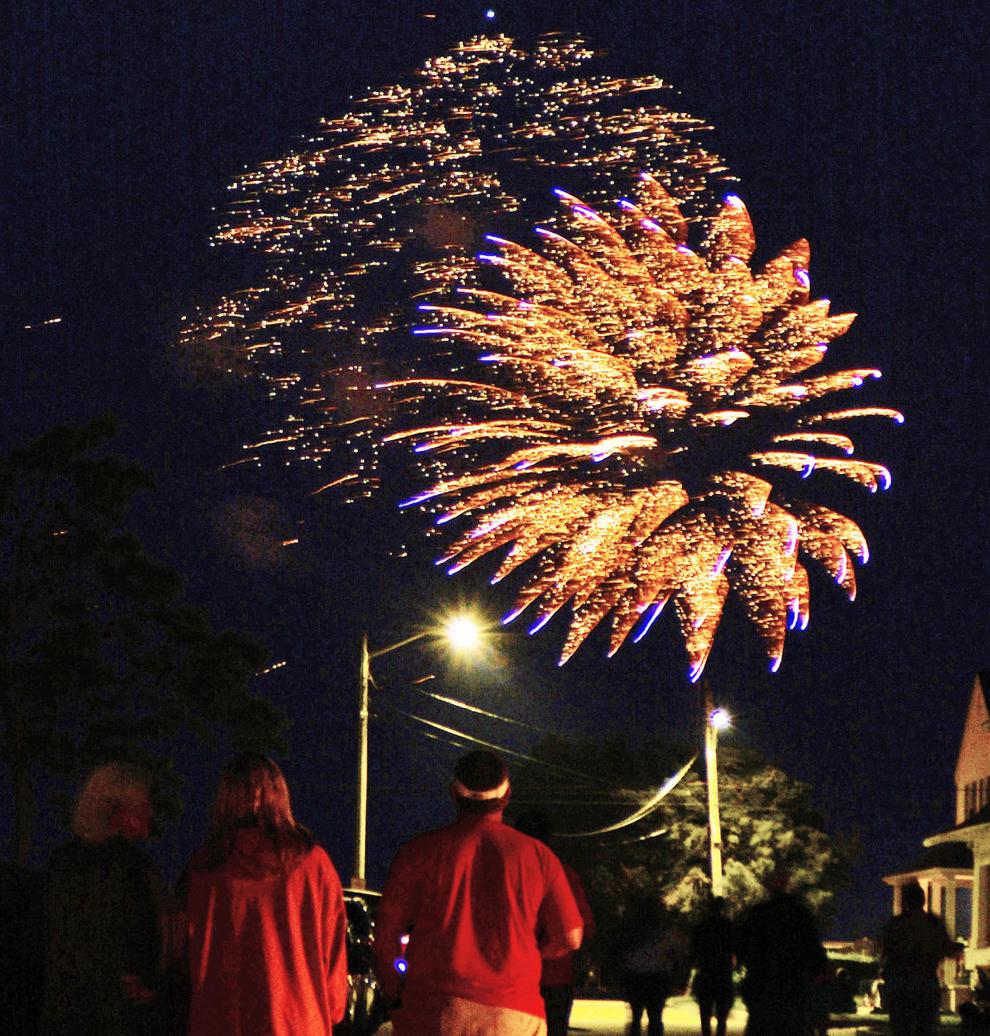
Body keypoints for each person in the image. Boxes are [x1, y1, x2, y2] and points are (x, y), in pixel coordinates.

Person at [373, 749, 584, 1035]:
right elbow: (571, 937)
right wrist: (533, 954)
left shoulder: (417, 853)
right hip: (513, 1014)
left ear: (453, 794)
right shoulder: (538, 856)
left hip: (432, 1013)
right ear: (507, 796)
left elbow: (386, 934)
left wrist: (394, 991)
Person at [182, 753, 348, 1036]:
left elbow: (185, 961)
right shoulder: (313, 865)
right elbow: (334, 965)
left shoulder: (204, 871)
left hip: (221, 1022)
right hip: (297, 1023)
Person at [40, 762, 168, 1036]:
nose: (150, 812)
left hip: (62, 1012)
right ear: (117, 811)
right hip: (117, 1014)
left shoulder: (60, 863)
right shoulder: (131, 867)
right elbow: (148, 936)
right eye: (143, 805)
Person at [515, 809, 597, 1036]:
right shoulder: (563, 873)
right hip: (555, 977)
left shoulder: (503, 873)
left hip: (512, 978)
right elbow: (584, 928)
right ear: (550, 838)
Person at [734, 863, 827, 1036]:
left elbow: (742, 948)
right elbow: (815, 953)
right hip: (793, 989)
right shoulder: (800, 915)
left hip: (763, 987)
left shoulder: (757, 915)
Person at [881, 880, 958, 1036]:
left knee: (901, 1028)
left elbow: (886, 951)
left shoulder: (896, 924)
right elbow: (947, 949)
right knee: (925, 1028)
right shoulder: (933, 923)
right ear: (923, 900)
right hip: (926, 984)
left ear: (906, 901)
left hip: (901, 985)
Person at [617, 893, 686, 1036]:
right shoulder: (665, 929)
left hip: (636, 976)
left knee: (636, 1017)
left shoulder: (632, 928)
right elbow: (677, 951)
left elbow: (621, 951)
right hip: (658, 977)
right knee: (655, 1018)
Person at [690, 895, 734, 1036]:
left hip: (707, 972)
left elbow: (694, 950)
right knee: (722, 1014)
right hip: (723, 973)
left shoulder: (702, 927)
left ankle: (707, 1033)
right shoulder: (728, 927)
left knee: (705, 1012)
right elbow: (736, 948)